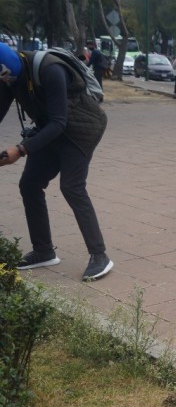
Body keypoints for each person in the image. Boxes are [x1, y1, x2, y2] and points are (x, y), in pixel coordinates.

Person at [0, 42, 114, 281]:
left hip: (81, 130)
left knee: (71, 186)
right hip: (51, 130)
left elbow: (59, 121)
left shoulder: (50, 69)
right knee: (29, 185)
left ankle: (100, 255)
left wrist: (21, 150)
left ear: (5, 69)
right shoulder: (11, 79)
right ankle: (44, 251)